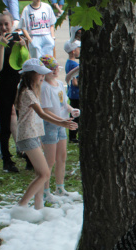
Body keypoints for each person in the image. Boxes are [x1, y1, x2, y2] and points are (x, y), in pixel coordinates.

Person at [12, 59, 77, 217]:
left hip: (33, 135)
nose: (42, 77)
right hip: (27, 136)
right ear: (31, 75)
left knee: (41, 172)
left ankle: (38, 205)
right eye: (39, 74)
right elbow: (42, 113)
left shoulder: (31, 90)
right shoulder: (27, 92)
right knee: (44, 173)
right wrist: (62, 122)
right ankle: (22, 206)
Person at [0, 11, 29, 173]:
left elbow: (26, 62)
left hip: (19, 82)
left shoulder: (18, 38)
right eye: (0, 24)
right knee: (5, 123)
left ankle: (29, 156)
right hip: (4, 83)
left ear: (12, 24)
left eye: (6, 24)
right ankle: (6, 159)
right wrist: (1, 46)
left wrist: (24, 46)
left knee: (23, 121)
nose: (4, 27)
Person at [39, 55, 80, 201]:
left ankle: (60, 187)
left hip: (62, 123)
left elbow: (63, 103)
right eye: (51, 69)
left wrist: (71, 109)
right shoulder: (44, 87)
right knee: (49, 160)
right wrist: (61, 120)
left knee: (61, 156)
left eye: (56, 67)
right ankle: (45, 191)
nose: (55, 71)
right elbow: (45, 111)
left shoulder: (58, 84)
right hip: (51, 125)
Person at [63, 40, 81, 143]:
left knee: (74, 114)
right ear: (73, 51)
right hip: (76, 94)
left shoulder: (68, 62)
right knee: (76, 115)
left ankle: (72, 135)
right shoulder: (74, 65)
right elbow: (74, 82)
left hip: (71, 93)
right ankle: (73, 135)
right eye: (78, 49)